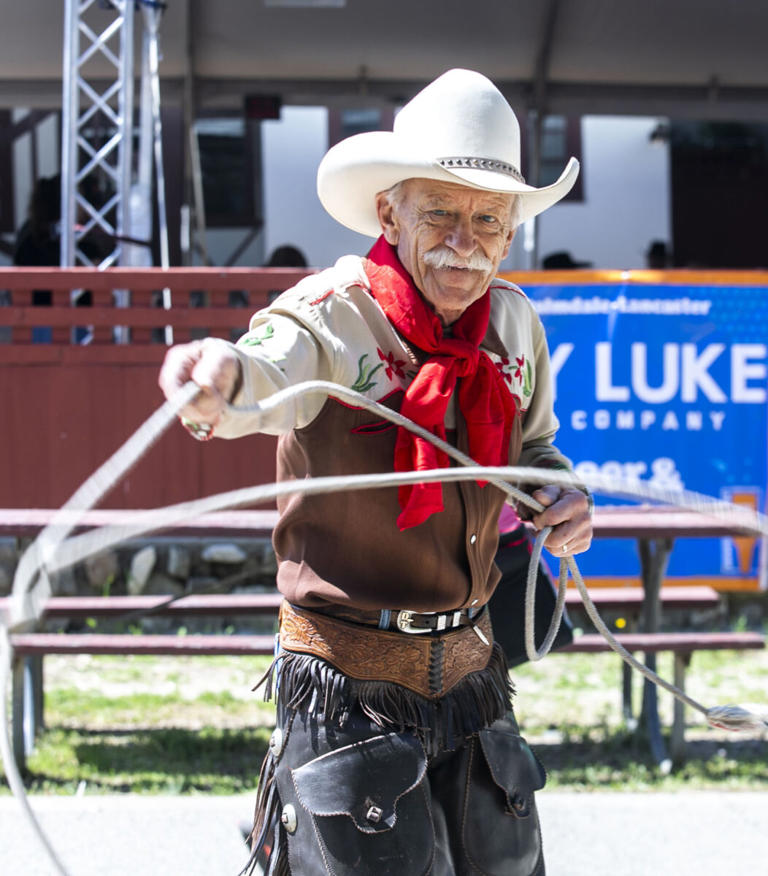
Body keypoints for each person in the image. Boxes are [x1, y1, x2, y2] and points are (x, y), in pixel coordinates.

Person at [159, 69, 592, 876]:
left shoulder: (514, 327)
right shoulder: (335, 314)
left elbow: (535, 451)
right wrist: (220, 375)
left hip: (473, 675)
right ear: (390, 211)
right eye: (441, 214)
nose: (466, 243)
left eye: (488, 220)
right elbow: (267, 374)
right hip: (346, 688)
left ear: (510, 234)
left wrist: (561, 496)